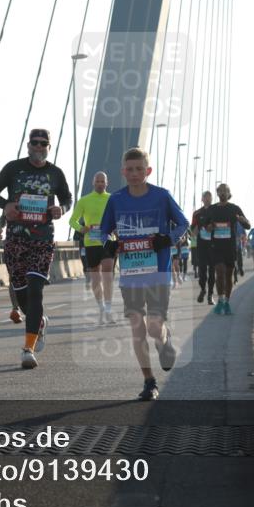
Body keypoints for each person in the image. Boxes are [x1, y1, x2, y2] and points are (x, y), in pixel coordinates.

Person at [100, 148, 188, 401]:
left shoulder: (162, 196)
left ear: (148, 171)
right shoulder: (115, 200)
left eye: (140, 169)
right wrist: (107, 243)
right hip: (130, 273)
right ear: (123, 172)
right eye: (130, 169)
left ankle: (164, 339)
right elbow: (103, 231)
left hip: (158, 272)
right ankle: (149, 382)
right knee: (137, 327)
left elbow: (183, 223)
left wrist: (167, 239)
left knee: (153, 327)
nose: (135, 174)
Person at [0, 128, 71, 370]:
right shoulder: (13, 168)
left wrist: (61, 210)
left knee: (36, 291)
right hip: (16, 239)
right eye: (35, 142)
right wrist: (6, 206)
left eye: (44, 143)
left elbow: (67, 198)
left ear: (49, 147)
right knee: (21, 292)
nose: (39, 146)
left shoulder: (55, 173)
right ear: (28, 145)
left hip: (43, 239)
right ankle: (39, 322)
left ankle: (28, 349)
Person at [68, 171, 117, 324]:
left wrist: (116, 229)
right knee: (96, 278)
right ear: (93, 183)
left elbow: (118, 217)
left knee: (108, 272)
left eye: (103, 181)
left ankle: (108, 308)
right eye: (98, 181)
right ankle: (101, 307)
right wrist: (82, 229)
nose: (100, 184)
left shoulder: (112, 199)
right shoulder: (84, 201)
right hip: (91, 243)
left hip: (108, 240)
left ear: (107, 183)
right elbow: (72, 221)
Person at [199, 183, 251, 315]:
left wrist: (242, 220)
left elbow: (248, 225)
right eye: (220, 191)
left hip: (230, 247)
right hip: (216, 246)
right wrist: (208, 227)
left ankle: (226, 302)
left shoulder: (234, 208)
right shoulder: (212, 209)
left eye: (225, 191)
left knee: (228, 276)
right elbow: (205, 224)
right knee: (219, 272)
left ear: (229, 194)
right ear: (217, 193)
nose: (223, 193)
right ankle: (220, 300)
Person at [190, 191, 216, 305]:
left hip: (213, 245)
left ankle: (210, 295)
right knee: (202, 270)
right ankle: (203, 289)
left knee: (212, 271)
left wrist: (212, 226)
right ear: (202, 199)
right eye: (205, 197)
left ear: (211, 199)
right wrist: (193, 233)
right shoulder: (197, 213)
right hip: (201, 245)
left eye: (209, 197)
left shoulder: (216, 210)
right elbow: (193, 229)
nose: (207, 199)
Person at [0, 214, 22, 324]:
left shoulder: (35, 198)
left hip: (32, 244)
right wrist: (0, 229)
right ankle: (15, 308)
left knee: (30, 277)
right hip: (12, 244)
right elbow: (3, 217)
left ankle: (25, 307)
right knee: (13, 278)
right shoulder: (12, 199)